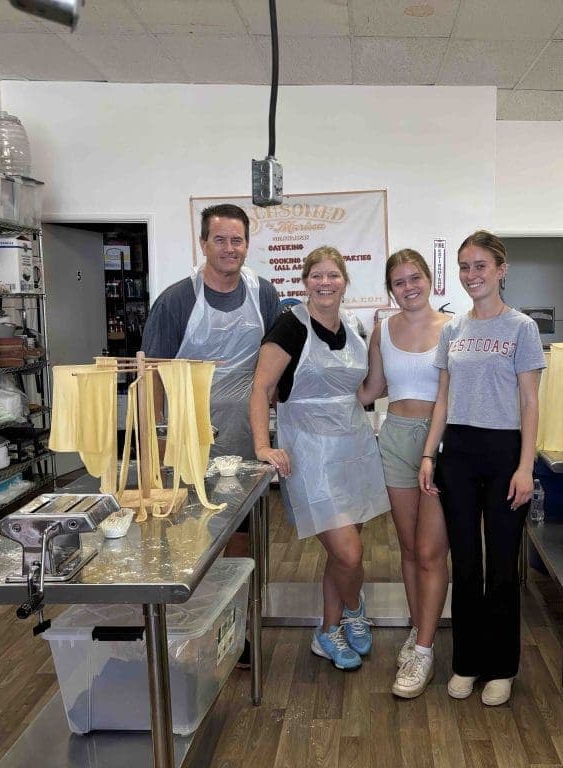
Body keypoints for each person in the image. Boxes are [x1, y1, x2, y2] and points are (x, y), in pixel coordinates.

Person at [141, 203, 280, 664]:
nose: (229, 248)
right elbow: (153, 377)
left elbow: (274, 361)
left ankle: (238, 625)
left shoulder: (264, 294)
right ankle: (191, 627)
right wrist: (157, 440)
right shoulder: (178, 300)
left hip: (243, 433)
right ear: (203, 244)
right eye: (219, 239)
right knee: (189, 532)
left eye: (236, 240)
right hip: (185, 437)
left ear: (246, 243)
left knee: (240, 531)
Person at [418, 230, 544, 706]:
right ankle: (466, 662)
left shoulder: (521, 328)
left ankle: (501, 666)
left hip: (505, 452)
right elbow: (443, 399)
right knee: (466, 563)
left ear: (501, 270)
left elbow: (530, 401)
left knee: (502, 566)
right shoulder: (453, 329)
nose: (472, 276)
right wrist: (430, 454)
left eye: (481, 267)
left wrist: (526, 466)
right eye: (465, 267)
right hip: (460, 455)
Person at [250, 246, 388, 671]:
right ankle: (353, 605)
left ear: (345, 282)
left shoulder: (354, 326)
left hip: (354, 447)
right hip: (309, 452)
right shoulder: (290, 326)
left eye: (333, 275)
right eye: (317, 276)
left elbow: (364, 391)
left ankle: (328, 630)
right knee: (348, 554)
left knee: (344, 552)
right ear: (305, 281)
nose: (325, 282)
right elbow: (260, 388)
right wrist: (262, 445)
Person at [359, 249, 450, 699]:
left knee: (433, 551)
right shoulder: (382, 331)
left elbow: (457, 395)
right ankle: (419, 631)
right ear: (390, 288)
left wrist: (434, 450)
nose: (408, 287)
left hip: (439, 443)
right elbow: (373, 389)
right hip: (394, 438)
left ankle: (427, 649)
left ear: (429, 278)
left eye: (415, 278)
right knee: (410, 547)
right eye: (399, 281)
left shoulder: (453, 328)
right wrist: (314, 393)